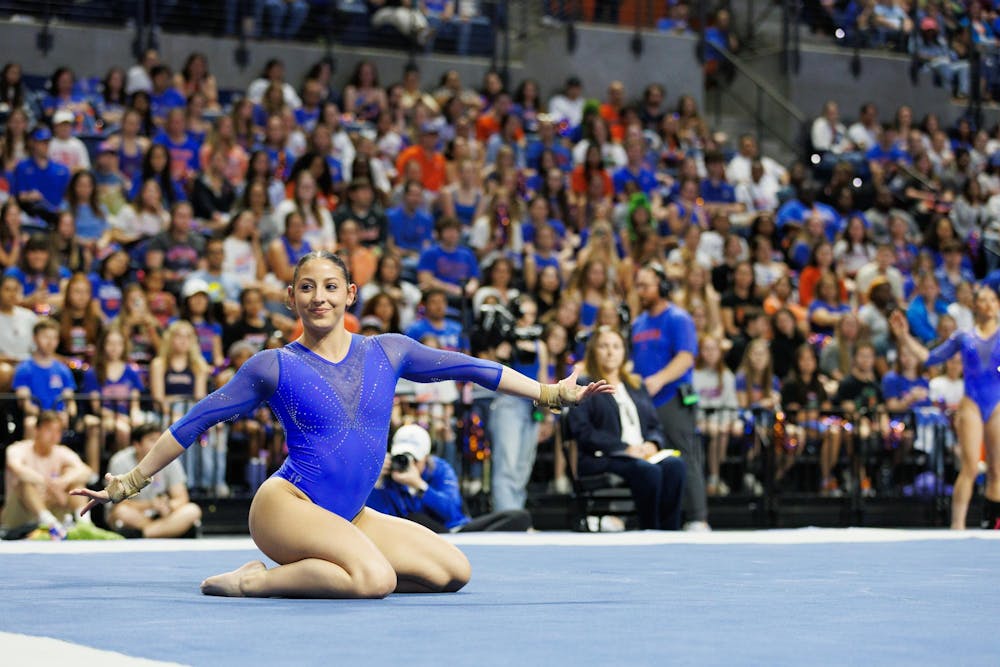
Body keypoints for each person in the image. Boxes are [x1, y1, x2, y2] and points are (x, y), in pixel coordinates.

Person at [73, 251, 611, 598]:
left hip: (351, 514)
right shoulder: (272, 365)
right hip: (289, 507)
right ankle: (255, 582)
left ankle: (341, 565)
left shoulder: (390, 351)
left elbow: (472, 367)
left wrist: (548, 393)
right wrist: (129, 482)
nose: (319, 297)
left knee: (453, 570)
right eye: (306, 288)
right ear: (292, 298)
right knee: (375, 579)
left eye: (330, 286)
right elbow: (194, 422)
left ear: (349, 294)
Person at [890, 290, 1000, 530]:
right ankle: (957, 525)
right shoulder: (964, 336)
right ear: (974, 306)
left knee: (996, 469)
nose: (988, 305)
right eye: (983, 300)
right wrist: (904, 337)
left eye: (993, 300)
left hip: (997, 405)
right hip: (971, 403)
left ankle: (992, 524)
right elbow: (929, 358)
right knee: (970, 465)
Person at [567, 326, 686, 530]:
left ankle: (670, 531)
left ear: (624, 352)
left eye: (616, 346)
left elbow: (654, 425)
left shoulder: (635, 384)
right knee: (648, 471)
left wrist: (652, 443)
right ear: (594, 351)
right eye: (604, 346)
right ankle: (651, 530)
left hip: (643, 454)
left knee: (675, 465)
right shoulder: (585, 385)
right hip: (605, 457)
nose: (611, 352)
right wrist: (624, 448)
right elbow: (581, 431)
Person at [630, 265, 705, 530]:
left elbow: (685, 357)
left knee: (685, 455)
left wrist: (659, 379)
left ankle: (697, 518)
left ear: (661, 286)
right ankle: (653, 519)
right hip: (645, 401)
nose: (641, 291)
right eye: (638, 285)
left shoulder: (678, 318)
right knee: (645, 455)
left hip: (672, 397)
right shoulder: (638, 323)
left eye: (646, 285)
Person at [367, 423, 532, 533]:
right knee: (414, 519)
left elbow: (451, 511)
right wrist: (376, 484)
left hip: (454, 531)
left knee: (519, 517)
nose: (409, 464)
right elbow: (378, 522)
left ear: (426, 456)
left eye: (415, 459)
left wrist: (420, 486)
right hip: (416, 535)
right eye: (402, 456)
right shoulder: (387, 474)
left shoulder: (440, 468)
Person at [1, 410, 118, 540]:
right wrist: (46, 482)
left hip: (53, 509)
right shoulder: (18, 448)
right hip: (20, 515)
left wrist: (63, 481)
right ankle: (48, 522)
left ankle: (85, 524)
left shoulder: (62, 452)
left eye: (58, 431)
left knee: (76, 480)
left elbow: (86, 472)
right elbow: (16, 468)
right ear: (37, 430)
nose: (54, 435)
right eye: (49, 430)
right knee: (25, 483)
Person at [106, 422, 202, 538]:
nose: (157, 444)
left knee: (192, 510)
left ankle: (145, 534)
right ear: (137, 444)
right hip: (137, 514)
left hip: (162, 515)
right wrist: (150, 505)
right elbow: (117, 502)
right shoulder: (119, 461)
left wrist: (168, 506)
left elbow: (181, 497)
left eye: (159, 439)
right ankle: (166, 531)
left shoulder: (170, 459)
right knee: (122, 512)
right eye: (152, 440)